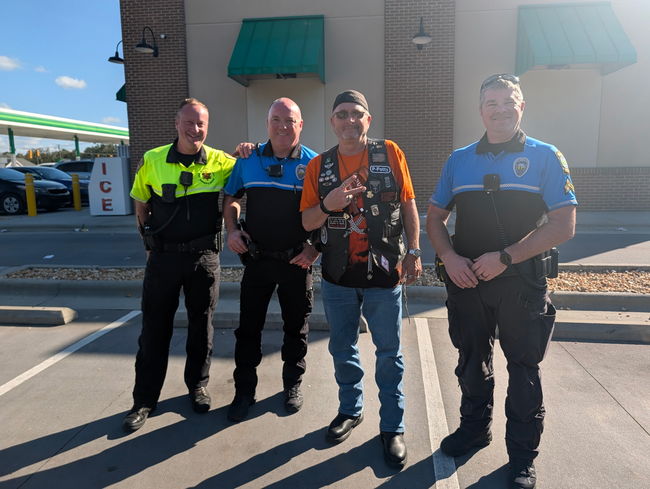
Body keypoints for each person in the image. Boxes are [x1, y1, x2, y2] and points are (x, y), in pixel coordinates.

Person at [426, 74, 577, 489]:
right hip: (467, 283)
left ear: (521, 107)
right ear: (480, 111)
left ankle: (522, 456)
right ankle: (475, 429)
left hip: (521, 285)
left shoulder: (545, 156)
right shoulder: (459, 160)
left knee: (524, 371)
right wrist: (449, 257)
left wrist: (506, 257)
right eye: (491, 103)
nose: (500, 110)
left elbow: (564, 224)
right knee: (471, 362)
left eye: (509, 101)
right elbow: (434, 217)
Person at [301, 90, 422, 470]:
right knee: (343, 347)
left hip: (385, 276)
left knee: (389, 354)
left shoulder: (390, 153)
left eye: (356, 113)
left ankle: (392, 427)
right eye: (342, 114)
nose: (349, 121)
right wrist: (329, 203)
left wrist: (415, 250)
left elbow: (408, 203)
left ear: (368, 119)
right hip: (338, 277)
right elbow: (307, 221)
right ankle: (351, 409)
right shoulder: (319, 166)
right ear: (332, 122)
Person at [123, 98, 236, 432]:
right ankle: (144, 400)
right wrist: (148, 244)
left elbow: (248, 170)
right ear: (176, 124)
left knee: (202, 327)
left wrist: (249, 149)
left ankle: (197, 387)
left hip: (203, 259)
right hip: (163, 259)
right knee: (154, 330)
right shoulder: (153, 159)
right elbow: (141, 203)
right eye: (189, 122)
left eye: (201, 123)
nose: (195, 129)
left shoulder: (220, 161)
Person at [222, 97, 319, 422]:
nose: (282, 126)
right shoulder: (248, 159)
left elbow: (330, 212)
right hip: (258, 261)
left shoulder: (314, 164)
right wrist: (232, 230)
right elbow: (231, 198)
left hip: (297, 262)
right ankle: (244, 392)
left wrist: (315, 249)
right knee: (248, 329)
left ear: (300, 125)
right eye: (276, 119)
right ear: (267, 123)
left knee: (296, 328)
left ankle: (292, 384)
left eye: (290, 120)